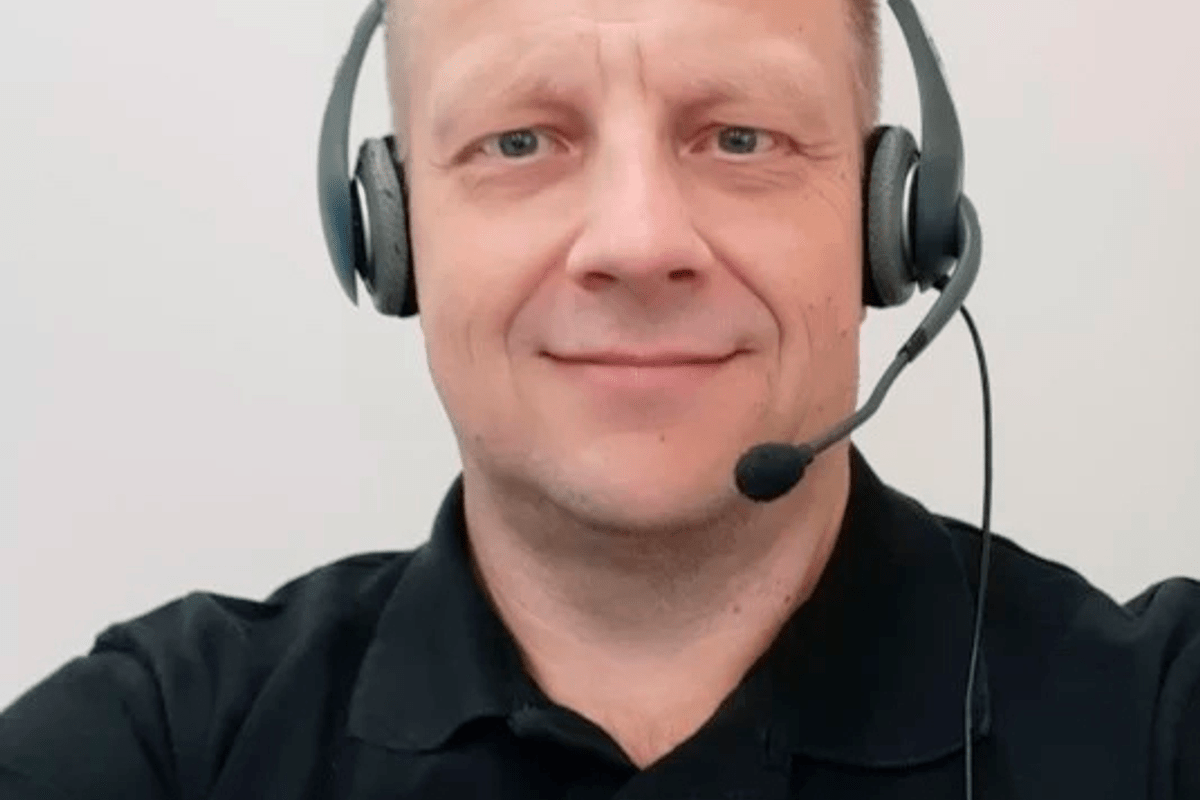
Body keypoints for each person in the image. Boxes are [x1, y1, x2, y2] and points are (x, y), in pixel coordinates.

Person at [2, 0, 1198, 796]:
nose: (638, 242)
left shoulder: (1157, 722)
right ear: (389, 230)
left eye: (741, 137)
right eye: (521, 142)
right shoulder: (164, 741)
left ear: (895, 223)